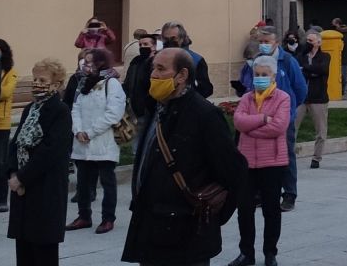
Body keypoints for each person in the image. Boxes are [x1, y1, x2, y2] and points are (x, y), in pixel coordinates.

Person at [119, 48, 244, 265]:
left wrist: (210, 213)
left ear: (182, 75)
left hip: (186, 231)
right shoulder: (158, 108)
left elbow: (233, 171)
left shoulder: (204, 115)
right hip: (152, 225)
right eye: (152, 69)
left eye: (161, 69)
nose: (154, 75)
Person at [6, 58, 72, 266]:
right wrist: (12, 173)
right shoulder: (30, 108)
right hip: (23, 189)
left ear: (57, 84)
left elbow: (50, 152)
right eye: (35, 79)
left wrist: (23, 176)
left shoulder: (60, 112)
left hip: (45, 188)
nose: (37, 83)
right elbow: (16, 142)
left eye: (42, 80)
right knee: (24, 246)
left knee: (43, 247)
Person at [239, 26, 307, 212]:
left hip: (282, 117)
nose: (263, 45)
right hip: (257, 115)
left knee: (286, 155)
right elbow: (245, 84)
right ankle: (260, 193)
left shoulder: (287, 61)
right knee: (259, 153)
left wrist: (289, 109)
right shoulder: (254, 62)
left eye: (267, 42)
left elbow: (300, 89)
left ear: (276, 42)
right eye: (261, 42)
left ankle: (289, 194)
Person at [231, 55, 290, 266]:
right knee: (244, 209)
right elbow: (238, 122)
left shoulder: (282, 98)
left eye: (265, 75)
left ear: (273, 76)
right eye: (257, 74)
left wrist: (250, 129)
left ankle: (270, 252)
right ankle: (246, 253)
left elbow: (279, 127)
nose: (260, 78)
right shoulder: (247, 98)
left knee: (271, 209)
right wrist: (263, 119)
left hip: (273, 162)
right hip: (247, 162)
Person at [68, 47, 125, 235]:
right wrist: (77, 131)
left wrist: (90, 133)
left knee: (107, 183)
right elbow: (75, 108)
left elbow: (113, 114)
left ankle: (108, 219)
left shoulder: (112, 84)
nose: (85, 65)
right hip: (82, 142)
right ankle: (84, 216)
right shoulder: (83, 83)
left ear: (100, 63)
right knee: (83, 182)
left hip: (103, 142)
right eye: (84, 61)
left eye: (89, 61)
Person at [0, 38, 18, 213]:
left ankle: (1, 200)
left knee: (0, 163)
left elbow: (5, 93)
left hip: (1, 123)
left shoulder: (10, 73)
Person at [298, 30, 331, 170]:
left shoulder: (325, 56)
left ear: (319, 42)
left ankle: (316, 158)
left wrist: (306, 70)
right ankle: (287, 155)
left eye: (311, 41)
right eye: (307, 40)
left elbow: (322, 69)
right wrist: (310, 70)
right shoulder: (302, 56)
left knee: (321, 130)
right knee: (291, 126)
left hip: (318, 98)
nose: (309, 43)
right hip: (301, 98)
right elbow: (297, 70)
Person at [160, 21, 215, 97]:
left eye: (173, 38)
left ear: (181, 39)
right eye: (166, 39)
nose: (169, 42)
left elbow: (206, 89)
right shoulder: (156, 59)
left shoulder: (196, 60)